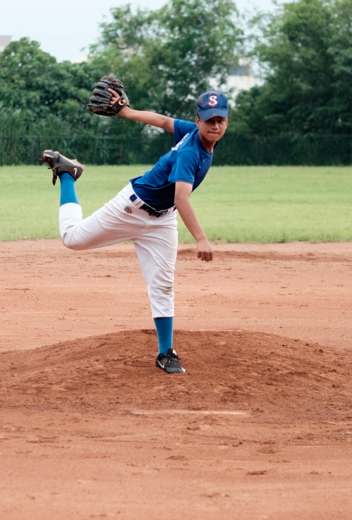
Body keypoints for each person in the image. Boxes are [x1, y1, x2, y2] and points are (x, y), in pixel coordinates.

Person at [39, 81, 226, 374]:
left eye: (220, 119)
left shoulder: (196, 132)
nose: (215, 125)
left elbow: (163, 121)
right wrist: (200, 238)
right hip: (130, 208)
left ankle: (166, 353)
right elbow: (182, 197)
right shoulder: (191, 151)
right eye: (210, 119)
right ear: (199, 120)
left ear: (225, 121)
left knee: (163, 284)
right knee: (71, 239)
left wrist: (127, 112)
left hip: (162, 220)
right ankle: (67, 174)